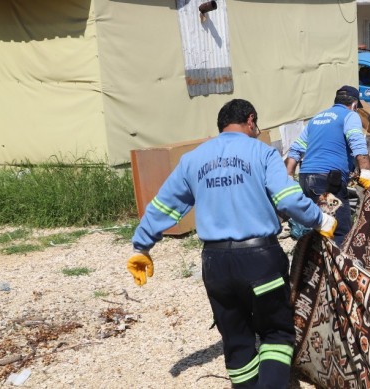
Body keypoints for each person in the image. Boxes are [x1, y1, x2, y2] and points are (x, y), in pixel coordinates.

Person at [126, 99, 337, 389]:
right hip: (260, 262)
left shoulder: (193, 159)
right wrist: (320, 219)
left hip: (215, 266)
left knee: (237, 339)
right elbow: (287, 199)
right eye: (256, 125)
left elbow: (164, 206)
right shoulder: (261, 153)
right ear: (250, 121)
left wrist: (141, 246)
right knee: (276, 333)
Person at [285, 85, 370, 244]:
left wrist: (288, 176)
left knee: (324, 226)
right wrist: (366, 172)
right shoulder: (350, 115)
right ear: (354, 105)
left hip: (306, 180)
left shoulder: (316, 118)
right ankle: (340, 267)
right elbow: (357, 143)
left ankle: (320, 264)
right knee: (340, 230)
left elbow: (295, 150)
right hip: (327, 183)